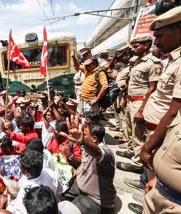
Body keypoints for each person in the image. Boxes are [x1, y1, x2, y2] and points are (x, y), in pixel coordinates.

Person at [139, 6, 181, 213]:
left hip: (163, 132)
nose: (155, 41)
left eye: (160, 36)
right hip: (160, 133)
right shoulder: (172, 60)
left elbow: (173, 109)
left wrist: (148, 146)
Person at [116, 34, 162, 174]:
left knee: (138, 134)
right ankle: (132, 152)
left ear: (146, 46)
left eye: (136, 46)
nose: (133, 49)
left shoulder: (152, 62)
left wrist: (141, 109)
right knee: (130, 131)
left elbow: (152, 88)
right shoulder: (137, 61)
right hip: (131, 100)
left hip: (140, 102)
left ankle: (137, 163)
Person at [60, 121, 116, 214]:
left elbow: (98, 152)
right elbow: (82, 163)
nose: (81, 136)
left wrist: (82, 142)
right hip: (80, 188)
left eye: (84, 134)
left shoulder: (106, 153)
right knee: (58, 200)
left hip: (94, 200)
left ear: (94, 138)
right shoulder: (86, 148)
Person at [6, 149, 58, 214]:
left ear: (25, 172)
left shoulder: (27, 193)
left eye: (20, 166)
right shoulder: (50, 173)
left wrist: (11, 201)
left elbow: (18, 211)